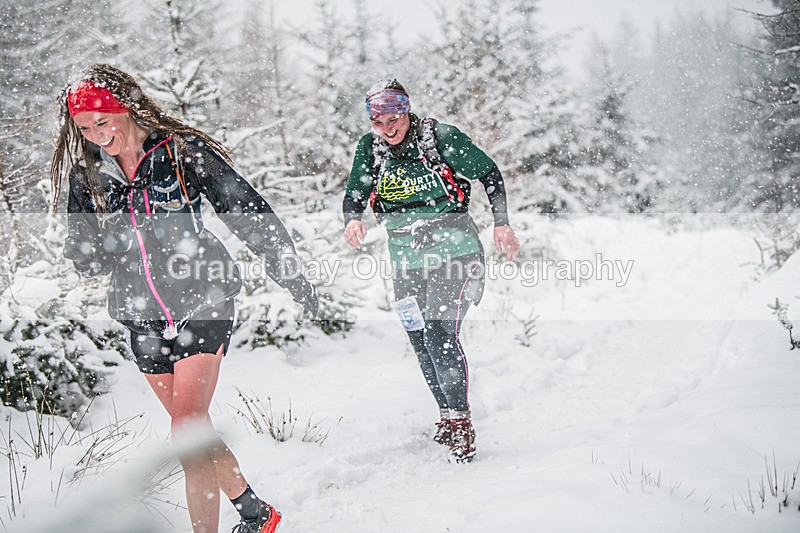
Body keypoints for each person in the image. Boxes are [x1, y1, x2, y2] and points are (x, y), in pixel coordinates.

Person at [51, 64, 318, 533]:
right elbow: (84, 257)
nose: (97, 136)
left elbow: (248, 211)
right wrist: (108, 241)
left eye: (103, 121)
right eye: (85, 129)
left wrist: (290, 273)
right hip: (141, 313)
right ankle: (256, 512)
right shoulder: (87, 176)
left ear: (124, 107)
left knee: (187, 429)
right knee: (191, 427)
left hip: (203, 296)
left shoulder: (179, 154)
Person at [342, 79, 519, 463]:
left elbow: (489, 174)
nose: (388, 129)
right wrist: (352, 219)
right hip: (407, 261)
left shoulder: (440, 139)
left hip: (456, 253)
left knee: (440, 332)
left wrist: (501, 223)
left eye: (394, 119)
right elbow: (356, 191)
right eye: (378, 122)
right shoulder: (370, 149)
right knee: (420, 337)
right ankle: (446, 417)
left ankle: (461, 423)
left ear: (406, 111)